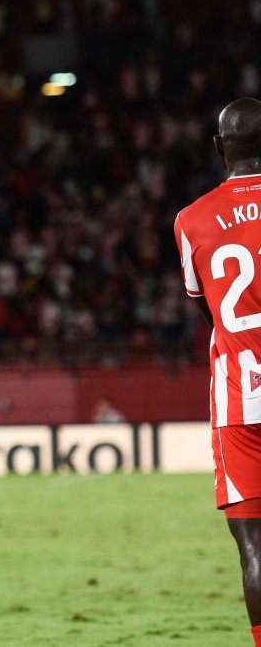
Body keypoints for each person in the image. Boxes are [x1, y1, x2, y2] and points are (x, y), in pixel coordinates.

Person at [176, 97, 261, 647]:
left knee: (254, 546)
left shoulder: (191, 219)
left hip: (240, 398)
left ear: (217, 147)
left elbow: (201, 303)